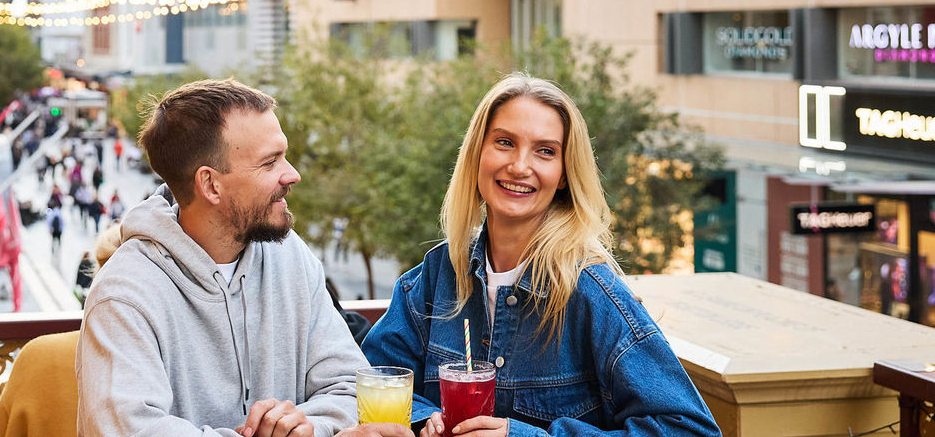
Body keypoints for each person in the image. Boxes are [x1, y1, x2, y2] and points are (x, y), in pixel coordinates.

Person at [361, 73, 721, 437]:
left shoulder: (591, 292)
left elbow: (690, 430)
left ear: (564, 174)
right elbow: (370, 380)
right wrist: (425, 420)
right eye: (504, 142)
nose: (520, 166)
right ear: (477, 154)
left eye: (545, 151)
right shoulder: (435, 276)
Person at [76, 79, 406, 437]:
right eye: (270, 162)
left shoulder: (290, 254)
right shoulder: (124, 296)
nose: (292, 174)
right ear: (211, 185)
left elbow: (349, 389)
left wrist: (309, 427)